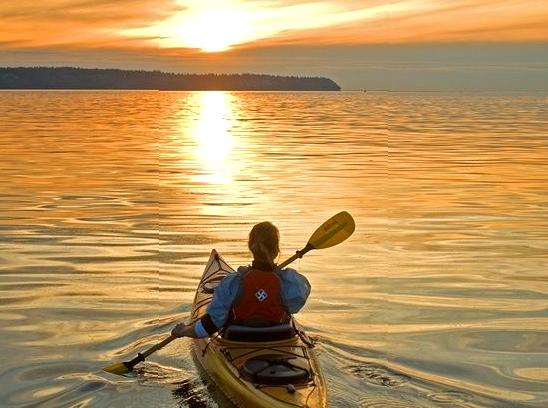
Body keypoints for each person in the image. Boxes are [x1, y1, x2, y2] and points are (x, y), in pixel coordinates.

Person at [171, 221, 311, 339]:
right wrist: (277, 275)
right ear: (276, 251)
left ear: (251, 248)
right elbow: (299, 298)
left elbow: (210, 326)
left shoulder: (232, 283)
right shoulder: (292, 283)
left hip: (238, 339)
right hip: (279, 337)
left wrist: (183, 331)